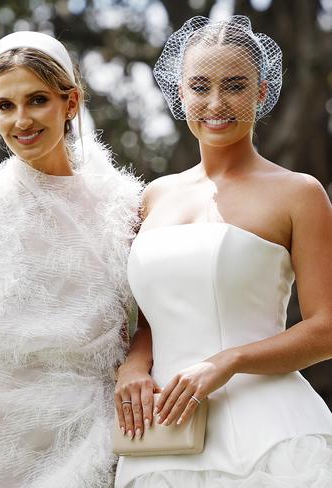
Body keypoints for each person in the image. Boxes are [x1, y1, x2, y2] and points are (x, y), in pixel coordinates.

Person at [114, 15, 332, 487]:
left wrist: (227, 361)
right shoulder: (151, 197)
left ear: (261, 91)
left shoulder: (300, 193)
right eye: (200, 87)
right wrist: (133, 365)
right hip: (161, 440)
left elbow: (326, 329)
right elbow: (152, 319)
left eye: (234, 86)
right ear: (180, 93)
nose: (216, 103)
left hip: (271, 438)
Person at [0, 31, 142, 487]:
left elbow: (148, 323)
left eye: (37, 100)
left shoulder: (126, 206)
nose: (21, 120)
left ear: (70, 103)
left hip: (95, 432)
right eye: (4, 106)